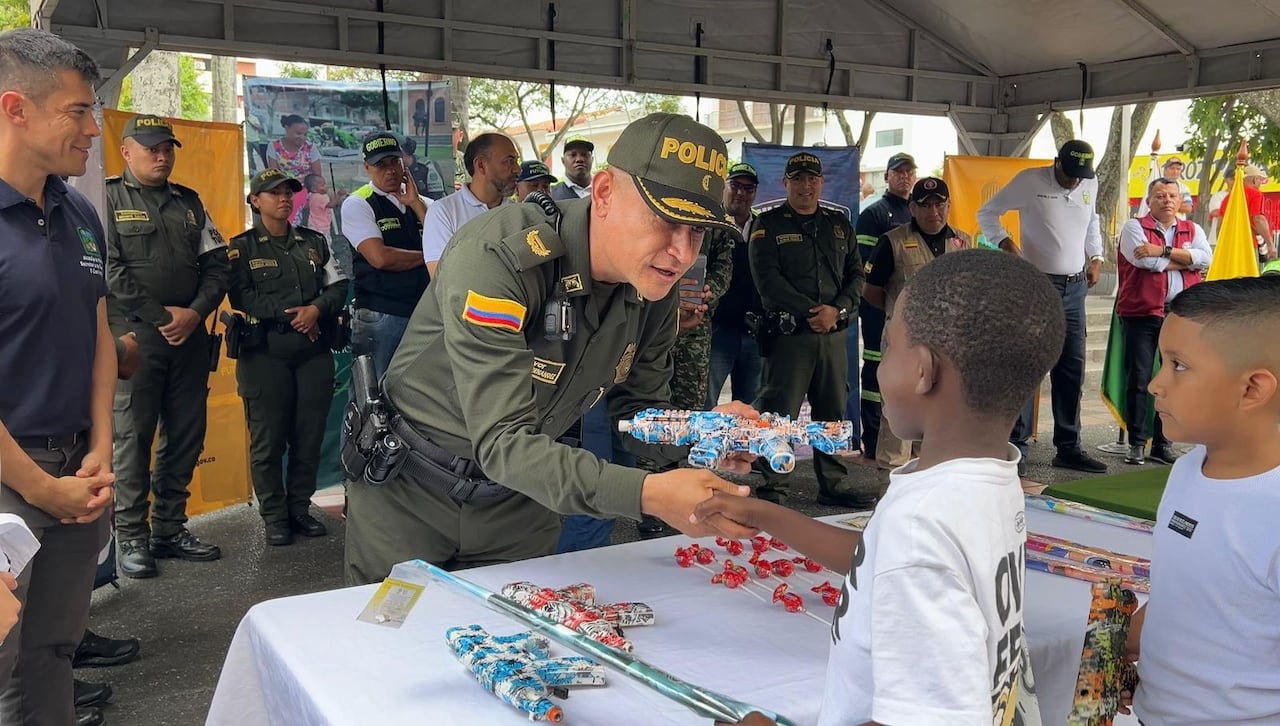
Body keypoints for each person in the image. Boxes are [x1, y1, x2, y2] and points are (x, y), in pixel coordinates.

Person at [343, 112, 756, 583]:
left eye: (698, 230)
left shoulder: (652, 283)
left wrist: (700, 432)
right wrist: (649, 493)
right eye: (665, 220)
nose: (682, 252)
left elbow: (636, 412)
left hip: (522, 499)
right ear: (603, 194)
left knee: (523, 647)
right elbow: (502, 441)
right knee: (393, 644)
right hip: (411, 492)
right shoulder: (499, 256)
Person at [704, 249, 1060, 726]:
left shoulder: (921, 525)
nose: (880, 361)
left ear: (922, 371)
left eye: (889, 344)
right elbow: (876, 557)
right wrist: (762, 515)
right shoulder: (988, 477)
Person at [0, 28, 118, 726]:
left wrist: (101, 443)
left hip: (78, 471)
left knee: (51, 651)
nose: (92, 126)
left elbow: (97, 330)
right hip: (13, 479)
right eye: (78, 110)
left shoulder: (76, 210)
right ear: (16, 108)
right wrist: (40, 485)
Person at [1121, 277, 1280, 724]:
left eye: (1179, 366)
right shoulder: (1188, 469)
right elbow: (1188, 594)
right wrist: (1120, 653)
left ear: (1252, 389)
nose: (1155, 384)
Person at [105, 113, 229, 579]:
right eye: (152, 147)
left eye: (168, 147)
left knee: (186, 433)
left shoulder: (190, 204)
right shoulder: (107, 200)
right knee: (132, 439)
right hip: (136, 337)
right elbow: (108, 269)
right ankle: (132, 537)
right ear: (127, 151)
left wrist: (194, 312)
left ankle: (170, 528)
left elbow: (219, 265)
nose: (162, 155)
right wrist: (162, 318)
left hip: (190, 336)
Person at [227, 169, 349, 546]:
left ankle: (299, 509)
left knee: (308, 436)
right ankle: (274, 516)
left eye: (288, 193)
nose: (283, 199)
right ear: (255, 200)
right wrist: (294, 316)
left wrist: (315, 310)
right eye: (273, 193)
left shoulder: (314, 243)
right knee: (268, 440)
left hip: (312, 352)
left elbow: (339, 284)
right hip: (265, 354)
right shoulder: (241, 247)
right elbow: (241, 296)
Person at [978, 139, 1109, 475]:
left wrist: (1096, 256)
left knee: (1071, 369)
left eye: (1081, 176)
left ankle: (1068, 447)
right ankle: (1017, 448)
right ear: (1056, 163)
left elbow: (1092, 220)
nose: (1075, 182)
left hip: (1076, 286)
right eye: (1070, 175)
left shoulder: (1088, 181)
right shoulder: (1029, 180)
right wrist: (1005, 242)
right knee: (1028, 364)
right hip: (1037, 284)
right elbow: (987, 212)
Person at [750, 152, 871, 508]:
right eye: (798, 179)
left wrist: (838, 310)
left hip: (833, 334)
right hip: (791, 337)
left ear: (821, 182)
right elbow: (768, 281)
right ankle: (774, 486)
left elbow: (856, 276)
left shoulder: (839, 225)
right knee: (779, 411)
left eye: (812, 179)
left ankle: (833, 484)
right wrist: (811, 312)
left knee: (832, 412)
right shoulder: (767, 225)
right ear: (785, 183)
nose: (806, 185)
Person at [862, 177, 975, 485]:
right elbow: (872, 291)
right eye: (925, 206)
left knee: (941, 416)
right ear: (912, 208)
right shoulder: (892, 241)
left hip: (948, 347)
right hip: (906, 346)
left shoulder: (964, 242)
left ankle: (932, 491)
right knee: (900, 417)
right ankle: (889, 493)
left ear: (949, 206)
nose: (933, 211)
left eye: (940, 204)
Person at [1116, 177, 1211, 465]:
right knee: (1140, 378)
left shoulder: (1192, 228)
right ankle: (1136, 442)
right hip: (1143, 314)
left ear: (1180, 200)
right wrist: (1184, 259)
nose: (1167, 200)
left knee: (1176, 378)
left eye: (1172, 195)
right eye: (1160, 195)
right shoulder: (1134, 227)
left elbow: (1205, 258)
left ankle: (1163, 442)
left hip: (1180, 316)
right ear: (1149, 200)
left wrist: (1163, 251)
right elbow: (1146, 263)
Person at [340, 132, 430, 380]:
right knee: (371, 397)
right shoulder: (358, 203)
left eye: (394, 162)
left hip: (424, 312)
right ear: (367, 167)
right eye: (380, 164)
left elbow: (446, 242)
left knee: (420, 391)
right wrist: (429, 256)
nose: (389, 170)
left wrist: (415, 203)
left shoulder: (423, 204)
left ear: (404, 162)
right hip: (382, 313)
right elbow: (380, 258)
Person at [854, 152, 917, 460]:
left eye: (909, 172)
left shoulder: (919, 214)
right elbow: (864, 267)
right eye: (898, 172)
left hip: (915, 316)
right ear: (887, 177)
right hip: (880, 307)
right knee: (878, 369)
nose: (904, 177)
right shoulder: (874, 214)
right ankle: (873, 434)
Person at [421, 131, 519, 277]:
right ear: (480, 165)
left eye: (516, 161)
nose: (517, 169)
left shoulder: (518, 212)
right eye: (509, 161)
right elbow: (441, 279)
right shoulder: (443, 212)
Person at [708, 162, 763, 408]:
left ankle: (742, 449)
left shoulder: (765, 227)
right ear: (725, 187)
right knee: (705, 404)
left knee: (749, 410)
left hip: (754, 333)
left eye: (748, 188)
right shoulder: (710, 224)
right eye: (736, 186)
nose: (741, 193)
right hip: (717, 331)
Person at [267, 113, 321, 221]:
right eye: (298, 133)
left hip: (306, 187)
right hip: (284, 187)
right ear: (287, 128)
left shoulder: (310, 148)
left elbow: (317, 176)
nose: (302, 137)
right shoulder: (274, 147)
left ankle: (291, 228)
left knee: (294, 199)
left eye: (305, 134)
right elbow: (273, 175)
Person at [1218, 163, 1274, 262]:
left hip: (1229, 247)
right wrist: (1270, 244)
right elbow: (1258, 219)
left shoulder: (1228, 198)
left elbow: (1220, 225)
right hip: (1248, 245)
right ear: (1254, 179)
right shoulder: (1255, 194)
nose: (1260, 183)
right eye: (1259, 179)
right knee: (1250, 276)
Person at [550, 135, 593, 200]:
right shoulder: (551, 196)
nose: (579, 159)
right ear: (563, 160)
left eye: (585, 154)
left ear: (592, 159)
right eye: (573, 155)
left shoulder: (608, 190)